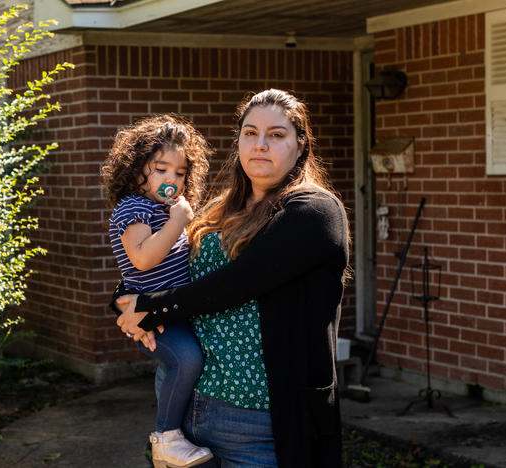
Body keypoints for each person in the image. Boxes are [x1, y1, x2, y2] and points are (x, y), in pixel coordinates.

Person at [115, 89, 350, 468]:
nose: (260, 144)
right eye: (249, 132)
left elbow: (239, 282)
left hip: (258, 422)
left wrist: (153, 308)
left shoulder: (315, 211)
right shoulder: (219, 211)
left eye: (276, 135)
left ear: (301, 145)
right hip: (187, 409)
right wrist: (129, 303)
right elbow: (165, 267)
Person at [102, 114, 214, 468]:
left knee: (189, 362)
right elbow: (143, 259)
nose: (171, 179)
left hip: (173, 311)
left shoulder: (163, 209)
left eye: (180, 173)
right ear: (137, 170)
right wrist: (178, 221)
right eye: (161, 169)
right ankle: (165, 437)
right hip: (157, 317)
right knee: (188, 360)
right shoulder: (134, 208)